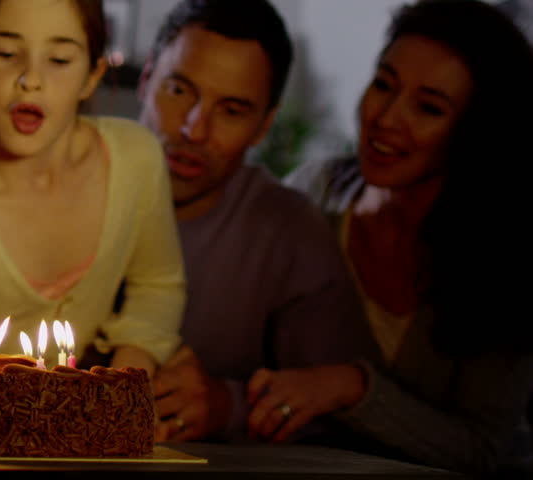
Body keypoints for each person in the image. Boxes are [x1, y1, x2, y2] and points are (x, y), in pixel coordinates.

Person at [281, 0, 533, 474]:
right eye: (383, 84)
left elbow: (483, 449)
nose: (386, 117)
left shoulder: (507, 256)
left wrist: (354, 387)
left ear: (475, 134)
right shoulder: (311, 192)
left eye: (428, 108)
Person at [0, 0, 185, 375]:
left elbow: (158, 285)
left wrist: (130, 372)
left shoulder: (136, 160)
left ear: (92, 75)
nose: (31, 79)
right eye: (6, 53)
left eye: (60, 59)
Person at [136, 0, 380, 444]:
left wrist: (226, 406)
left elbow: (347, 417)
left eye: (231, 110)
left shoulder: (289, 233)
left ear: (264, 126)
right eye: (179, 90)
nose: (194, 129)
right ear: (145, 78)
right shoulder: (58, 184)